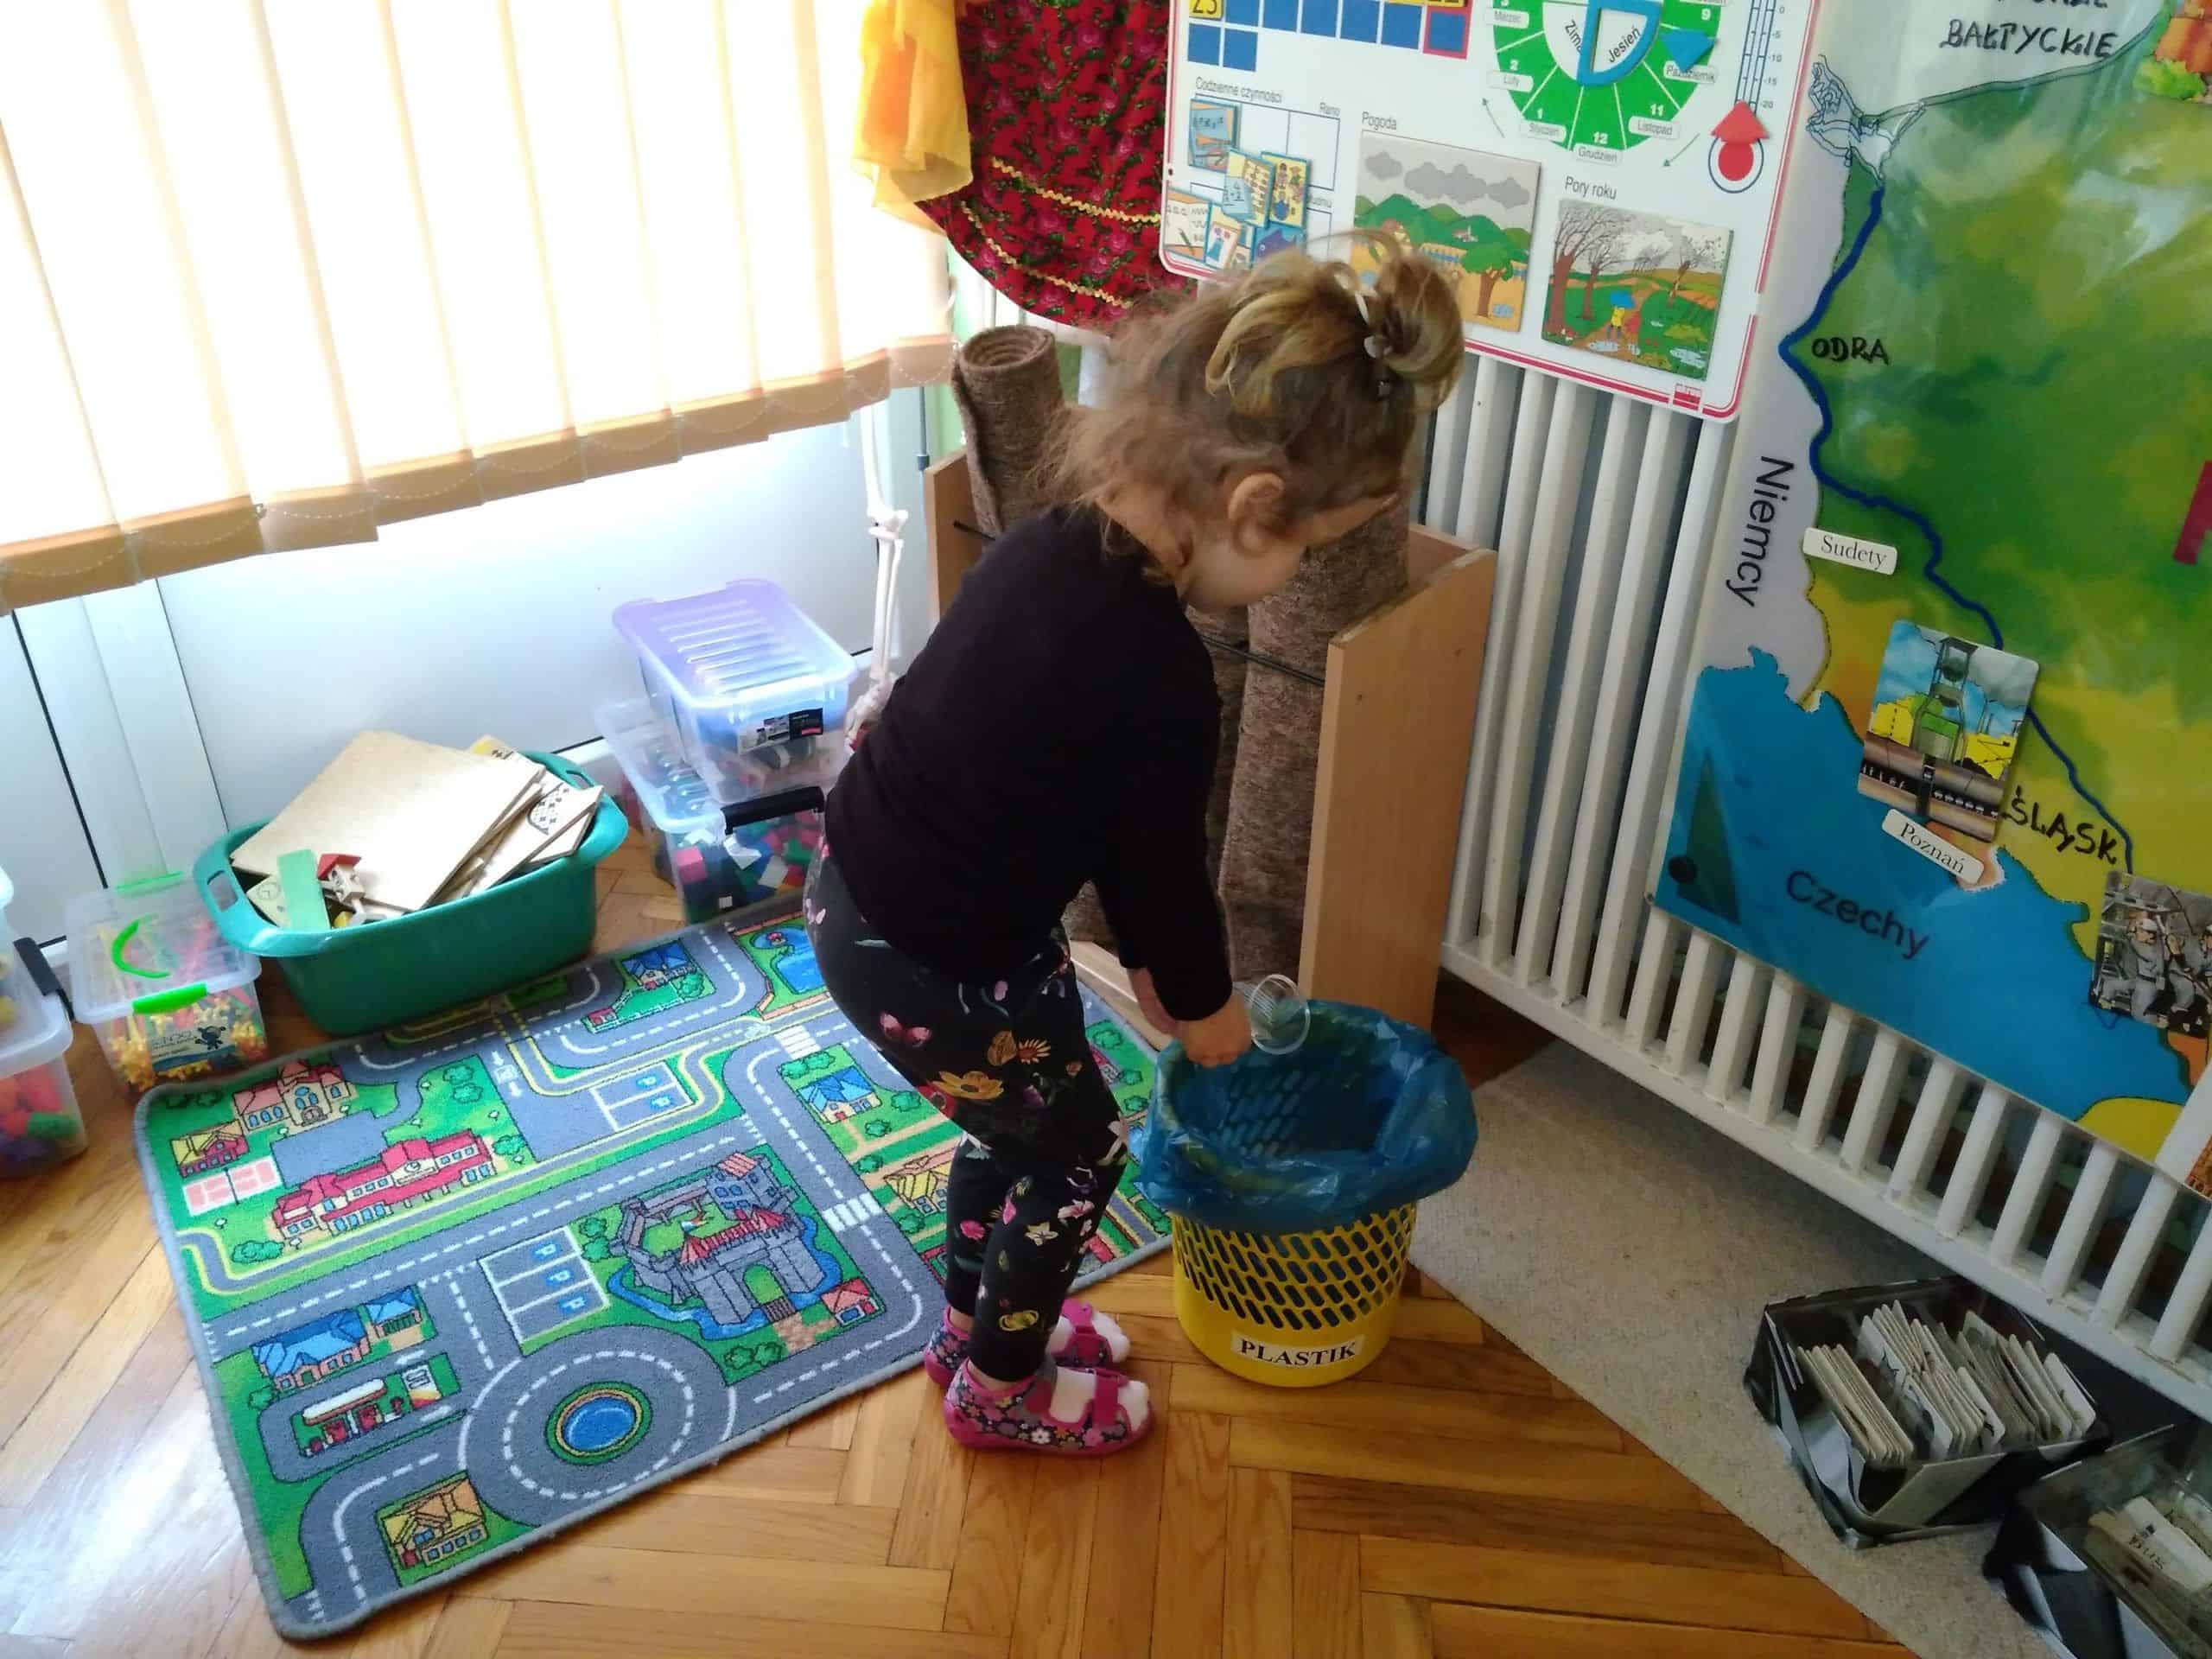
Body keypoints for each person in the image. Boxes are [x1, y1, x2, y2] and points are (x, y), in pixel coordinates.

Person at [805, 239, 1463, 1456]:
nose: (1300, 572)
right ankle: (1001, 1392)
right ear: (1253, 508)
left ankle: (976, 1329)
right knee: (1081, 1155)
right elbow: (1162, 877)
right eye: (1310, 549)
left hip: (861, 895)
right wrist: (1203, 1012)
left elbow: (1087, 808)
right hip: (941, 955)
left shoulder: (1049, 540)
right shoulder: (1161, 672)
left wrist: (1164, 977)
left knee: (1016, 1131)